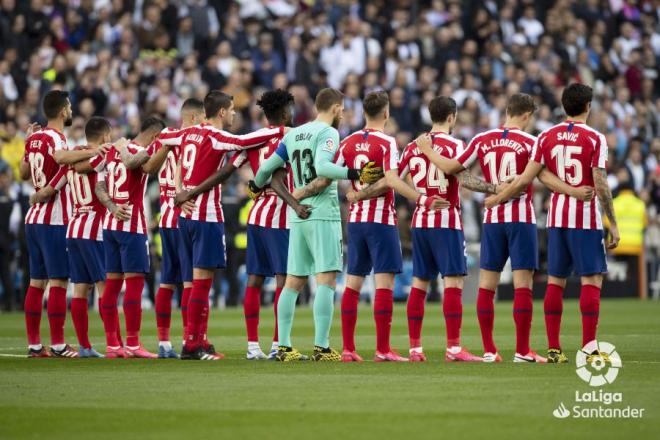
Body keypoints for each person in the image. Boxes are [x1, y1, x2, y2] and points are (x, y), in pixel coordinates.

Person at [419, 93, 594, 363]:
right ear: (526, 115)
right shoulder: (531, 142)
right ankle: (523, 351)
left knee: (487, 286)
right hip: (520, 218)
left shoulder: (482, 139)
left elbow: (455, 170)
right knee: (523, 285)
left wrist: (429, 151)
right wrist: (572, 189)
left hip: (492, 220)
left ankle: (489, 350)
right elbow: (542, 175)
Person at [486, 83, 620, 363]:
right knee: (591, 280)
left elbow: (532, 176)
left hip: (556, 218)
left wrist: (497, 198)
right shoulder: (596, 138)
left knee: (555, 282)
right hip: (585, 219)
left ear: (564, 106)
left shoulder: (545, 136)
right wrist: (614, 223)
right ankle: (588, 348)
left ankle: (554, 348)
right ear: (588, 106)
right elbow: (600, 183)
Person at [250, 87, 383, 362]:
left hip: (297, 217)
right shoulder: (329, 133)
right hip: (323, 212)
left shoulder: (294, 133)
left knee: (293, 283)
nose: (343, 115)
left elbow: (265, 170)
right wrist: (354, 173)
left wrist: (256, 186)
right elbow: (323, 167)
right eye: (343, 110)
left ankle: (283, 346)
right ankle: (321, 347)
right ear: (334, 108)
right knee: (327, 280)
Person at [175, 89, 302, 360]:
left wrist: (188, 190)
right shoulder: (287, 136)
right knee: (284, 281)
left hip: (256, 214)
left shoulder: (250, 144)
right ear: (285, 113)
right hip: (280, 215)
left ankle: (252, 345)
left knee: (254, 280)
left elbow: (226, 171)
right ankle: (279, 345)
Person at [331, 90, 448, 362]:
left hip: (356, 220)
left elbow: (333, 173)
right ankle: (383, 349)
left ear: (363, 112)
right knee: (384, 283)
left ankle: (348, 348)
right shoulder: (386, 142)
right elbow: (393, 180)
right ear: (386, 113)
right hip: (381, 220)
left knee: (353, 283)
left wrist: (354, 192)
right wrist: (422, 199)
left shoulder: (347, 141)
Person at [398, 96, 501, 362]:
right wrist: (494, 188)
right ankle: (454, 347)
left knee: (419, 283)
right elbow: (465, 179)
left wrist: (419, 195)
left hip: (420, 219)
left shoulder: (411, 147)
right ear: (452, 117)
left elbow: (397, 179)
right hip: (446, 220)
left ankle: (415, 348)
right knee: (453, 282)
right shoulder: (456, 145)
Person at [22, 90, 101, 358]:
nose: (71, 111)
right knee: (57, 281)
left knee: (36, 282)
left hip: (33, 219)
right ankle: (57, 344)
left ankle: (34, 344)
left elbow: (23, 172)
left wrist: (27, 141)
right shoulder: (56, 138)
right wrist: (93, 150)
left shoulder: (34, 138)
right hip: (54, 217)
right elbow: (60, 159)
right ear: (62, 110)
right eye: (69, 107)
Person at [30, 117, 117, 358]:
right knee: (104, 287)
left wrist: (36, 197)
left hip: (74, 227)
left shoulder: (71, 159)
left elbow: (51, 188)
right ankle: (114, 344)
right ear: (105, 137)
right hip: (94, 228)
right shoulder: (100, 156)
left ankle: (86, 347)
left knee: (81, 289)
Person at [91, 116, 170, 358]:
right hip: (131, 224)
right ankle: (133, 343)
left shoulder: (112, 150)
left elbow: (98, 185)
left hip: (111, 224)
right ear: (156, 136)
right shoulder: (136, 150)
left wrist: (112, 207)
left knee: (112, 286)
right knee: (134, 285)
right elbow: (141, 165)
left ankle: (113, 344)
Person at [150, 98, 205, 359]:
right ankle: (189, 339)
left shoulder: (167, 137)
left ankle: (163, 343)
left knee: (167, 282)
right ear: (193, 117)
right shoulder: (192, 139)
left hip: (165, 216)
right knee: (189, 283)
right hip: (184, 214)